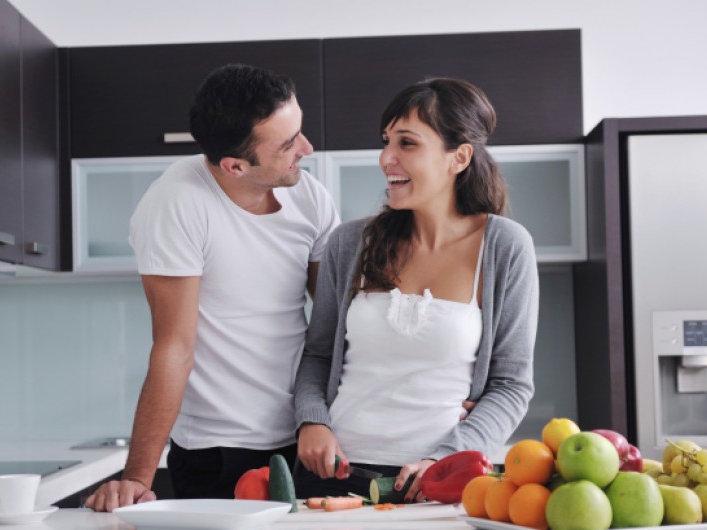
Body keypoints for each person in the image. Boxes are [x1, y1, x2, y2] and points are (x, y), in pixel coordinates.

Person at [85, 64, 340, 512]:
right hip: (218, 451)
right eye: (287, 144)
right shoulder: (177, 203)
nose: (307, 148)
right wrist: (137, 478)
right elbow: (174, 347)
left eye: (299, 131)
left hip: (307, 436)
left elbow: (334, 324)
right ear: (235, 165)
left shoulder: (310, 195)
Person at [292, 77, 538, 502]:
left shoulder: (504, 247)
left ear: (458, 157)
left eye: (407, 143)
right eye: (386, 141)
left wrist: (448, 457)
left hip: (440, 484)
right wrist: (312, 421)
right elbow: (317, 354)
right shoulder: (351, 243)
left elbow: (512, 384)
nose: (386, 157)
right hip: (332, 479)